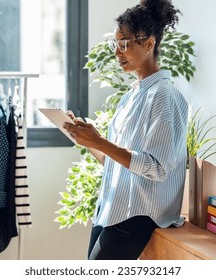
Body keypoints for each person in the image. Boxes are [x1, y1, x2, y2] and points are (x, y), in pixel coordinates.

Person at [63, 0, 189, 260]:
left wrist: (101, 142)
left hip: (137, 214)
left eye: (125, 44)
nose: (117, 53)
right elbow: (114, 162)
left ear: (149, 44)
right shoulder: (130, 96)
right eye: (116, 44)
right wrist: (87, 140)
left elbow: (157, 167)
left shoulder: (164, 96)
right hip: (112, 208)